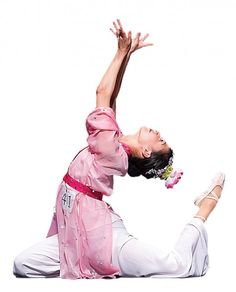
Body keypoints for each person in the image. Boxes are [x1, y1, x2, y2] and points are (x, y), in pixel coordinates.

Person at [13, 20, 225, 279]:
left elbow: (102, 92)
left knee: (174, 264)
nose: (158, 133)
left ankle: (205, 208)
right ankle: (83, 259)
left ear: (146, 152)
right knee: (22, 264)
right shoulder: (116, 145)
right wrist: (127, 57)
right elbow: (112, 98)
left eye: (160, 140)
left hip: (106, 236)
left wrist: (121, 51)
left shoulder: (111, 151)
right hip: (76, 231)